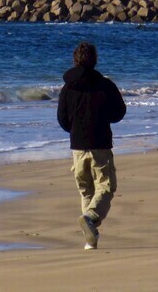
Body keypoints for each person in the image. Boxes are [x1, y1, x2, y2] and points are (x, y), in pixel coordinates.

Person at [57, 42, 126, 250]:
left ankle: (90, 239)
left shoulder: (68, 87)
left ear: (75, 60)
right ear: (94, 60)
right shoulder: (105, 85)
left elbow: (62, 118)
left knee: (86, 190)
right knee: (105, 187)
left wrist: (75, 129)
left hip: (77, 146)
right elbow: (119, 112)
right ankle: (91, 217)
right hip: (100, 144)